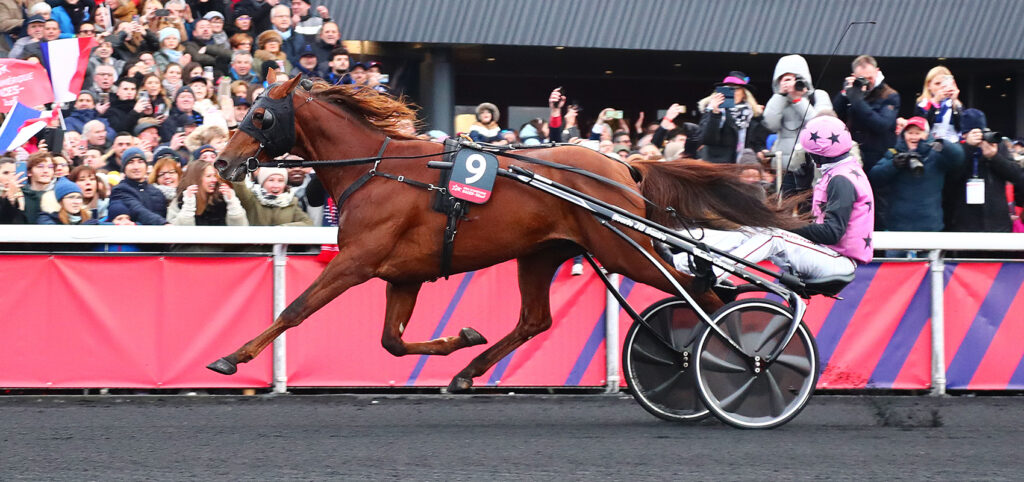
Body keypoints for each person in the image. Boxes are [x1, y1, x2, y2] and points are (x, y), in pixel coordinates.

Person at [671, 115, 874, 284]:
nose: (808, 157)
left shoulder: (841, 179)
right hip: (826, 255)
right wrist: (801, 186)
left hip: (839, 262)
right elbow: (810, 220)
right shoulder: (838, 172)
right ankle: (680, 261)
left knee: (773, 236)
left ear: (818, 154)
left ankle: (715, 276)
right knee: (752, 230)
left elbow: (831, 233)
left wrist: (781, 225)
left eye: (809, 153)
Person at [869, 116, 964, 240]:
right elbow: (874, 177)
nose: (913, 137)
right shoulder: (894, 153)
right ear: (904, 135)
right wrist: (893, 165)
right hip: (898, 229)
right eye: (910, 133)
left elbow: (958, 157)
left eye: (918, 133)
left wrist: (942, 143)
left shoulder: (936, 156)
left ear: (926, 135)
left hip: (930, 228)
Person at [943, 109, 1024, 233]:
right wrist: (968, 148)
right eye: (974, 132)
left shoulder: (997, 146)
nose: (979, 137)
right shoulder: (957, 149)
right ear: (964, 134)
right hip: (966, 223)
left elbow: (1017, 175)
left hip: (997, 223)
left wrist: (994, 156)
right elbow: (950, 179)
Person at [762, 55, 833, 194]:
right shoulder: (778, 100)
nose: (791, 83)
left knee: (808, 208)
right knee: (784, 207)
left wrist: (798, 100)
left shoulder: (819, 96)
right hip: (786, 166)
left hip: (813, 164)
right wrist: (780, 95)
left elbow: (819, 124)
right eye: (785, 79)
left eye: (794, 78)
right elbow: (770, 124)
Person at [833, 55, 900, 171]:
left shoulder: (890, 95)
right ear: (854, 77)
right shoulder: (851, 93)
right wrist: (845, 94)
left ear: (877, 71)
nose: (867, 82)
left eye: (870, 78)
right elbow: (834, 117)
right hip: (853, 155)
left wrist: (857, 100)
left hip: (879, 159)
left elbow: (881, 125)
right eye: (862, 79)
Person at [698, 71, 762, 164]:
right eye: (728, 89)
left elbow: (756, 141)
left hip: (743, 165)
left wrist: (760, 151)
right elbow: (707, 139)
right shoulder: (710, 110)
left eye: (736, 89)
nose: (733, 92)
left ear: (744, 93)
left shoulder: (751, 114)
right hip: (717, 165)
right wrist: (715, 113)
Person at [167, 160, 248, 226]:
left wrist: (232, 203)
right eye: (208, 176)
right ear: (196, 179)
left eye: (214, 176)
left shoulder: (221, 200)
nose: (214, 180)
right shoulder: (180, 201)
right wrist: (188, 207)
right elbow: (178, 235)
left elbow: (240, 229)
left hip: (220, 245)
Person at [233, 167, 312, 226]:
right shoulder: (251, 197)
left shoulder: (291, 201)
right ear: (262, 183)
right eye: (271, 180)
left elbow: (308, 223)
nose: (276, 185)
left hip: (281, 247)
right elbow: (239, 184)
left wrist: (282, 229)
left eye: (280, 181)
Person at [110, 147, 168, 225]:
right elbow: (138, 210)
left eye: (140, 162)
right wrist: (163, 224)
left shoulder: (156, 192)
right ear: (124, 168)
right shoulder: (120, 190)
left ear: (146, 166)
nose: (136, 167)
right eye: (131, 162)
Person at [913, 66, 962, 143]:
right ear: (929, 85)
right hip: (930, 144)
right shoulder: (923, 103)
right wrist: (935, 102)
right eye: (937, 84)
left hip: (952, 144)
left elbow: (961, 127)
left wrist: (954, 102)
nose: (941, 87)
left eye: (944, 84)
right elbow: (921, 128)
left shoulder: (956, 103)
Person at [21, 151, 60, 224]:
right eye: (40, 166)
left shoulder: (58, 195)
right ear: (29, 172)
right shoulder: (20, 195)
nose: (46, 171)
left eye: (50, 167)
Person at [0, 158, 28, 224]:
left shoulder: (27, 194)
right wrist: (10, 197)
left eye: (15, 173)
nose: (11, 177)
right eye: (6, 173)